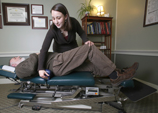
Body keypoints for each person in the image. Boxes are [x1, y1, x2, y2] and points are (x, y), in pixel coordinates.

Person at [10, 45, 139, 86]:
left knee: (91, 65)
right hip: (57, 63)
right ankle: (115, 76)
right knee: (89, 49)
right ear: (14, 64)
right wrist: (36, 54)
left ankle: (119, 72)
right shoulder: (19, 67)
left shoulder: (25, 61)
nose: (17, 56)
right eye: (15, 58)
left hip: (59, 64)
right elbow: (30, 68)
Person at [38, 3, 94, 79]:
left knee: (88, 59)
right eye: (53, 18)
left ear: (66, 16)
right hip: (61, 57)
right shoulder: (52, 29)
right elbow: (44, 49)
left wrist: (86, 40)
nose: (56, 22)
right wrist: (40, 68)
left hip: (74, 53)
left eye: (58, 18)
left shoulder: (73, 22)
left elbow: (81, 32)